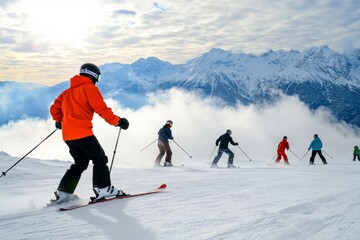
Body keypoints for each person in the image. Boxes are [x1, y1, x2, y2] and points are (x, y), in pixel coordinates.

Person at [49, 63, 129, 204]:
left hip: (68, 136)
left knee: (80, 164)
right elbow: (101, 109)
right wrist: (118, 122)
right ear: (94, 75)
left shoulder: (66, 93)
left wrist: (59, 120)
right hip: (82, 133)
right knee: (99, 159)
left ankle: (64, 193)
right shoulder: (89, 89)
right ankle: (104, 189)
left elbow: (54, 108)